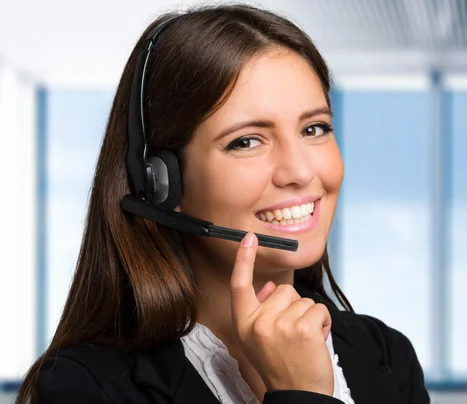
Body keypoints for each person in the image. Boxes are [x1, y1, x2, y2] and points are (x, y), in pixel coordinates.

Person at [16, 3, 430, 404]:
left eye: (314, 128)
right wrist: (301, 394)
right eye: (247, 141)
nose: (300, 172)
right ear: (159, 181)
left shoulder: (385, 356)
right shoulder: (89, 386)